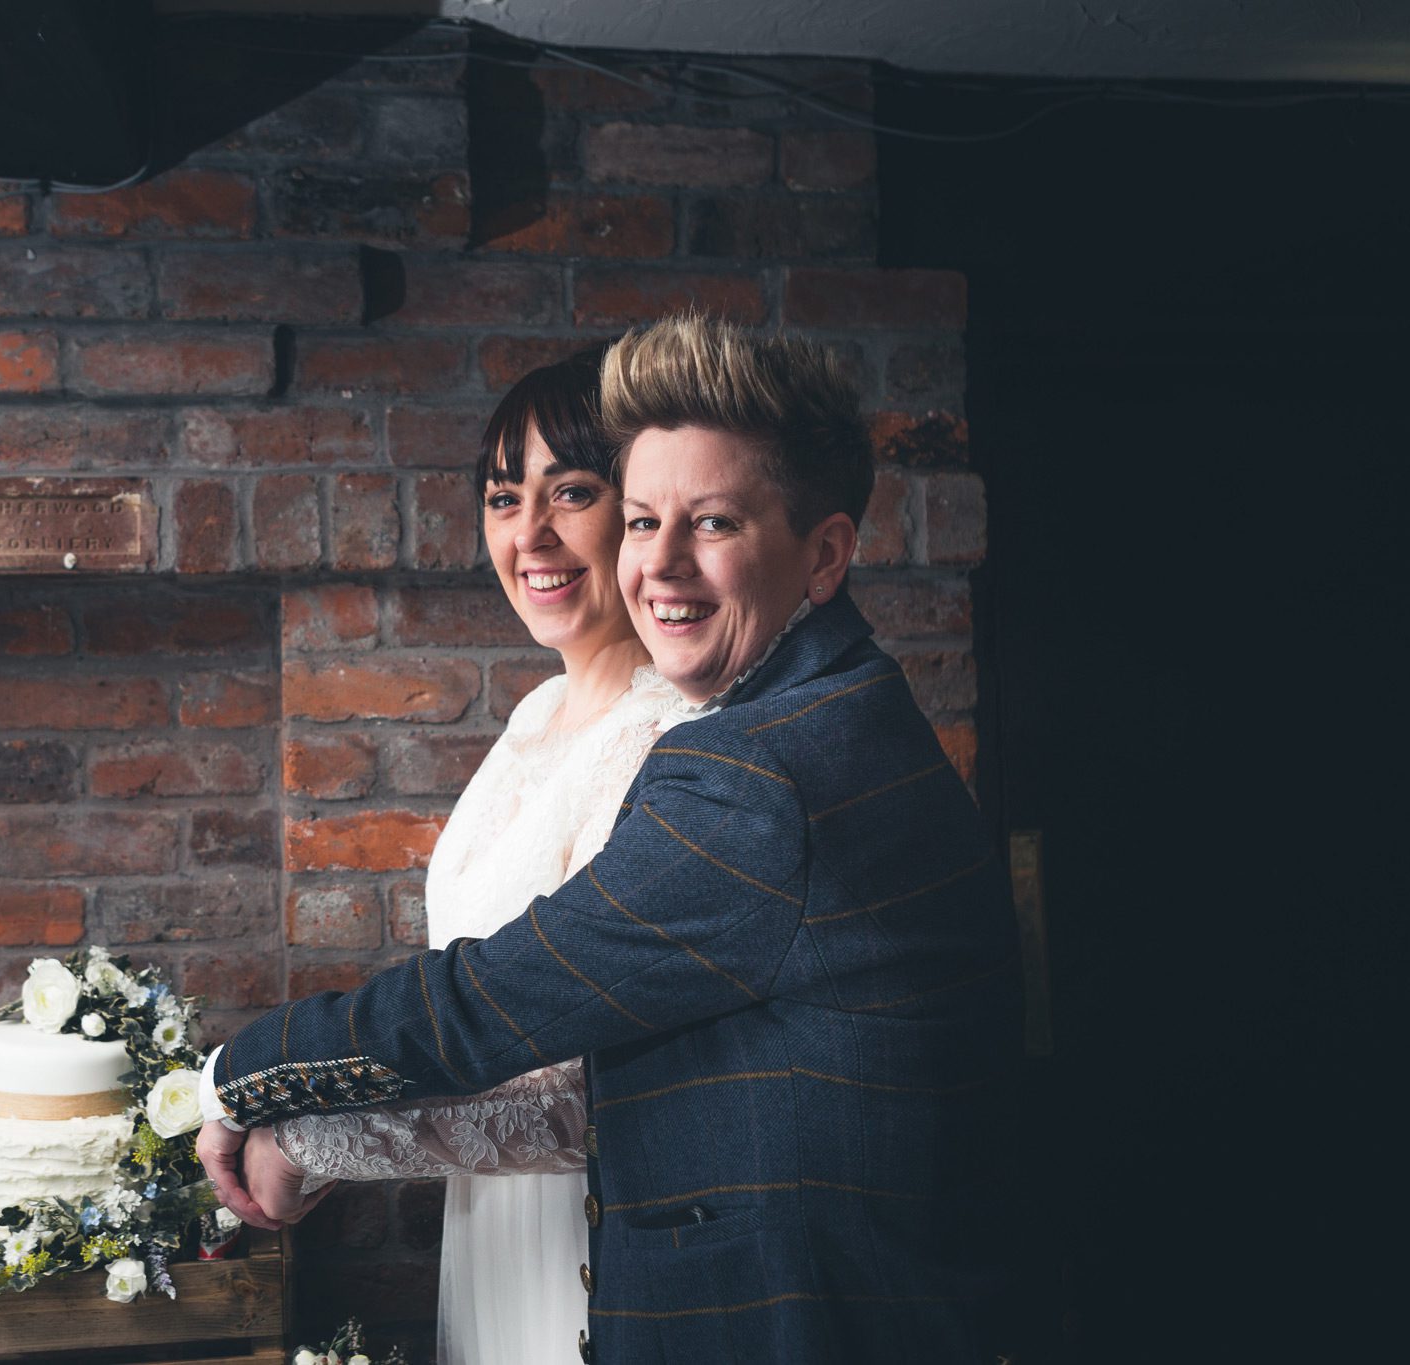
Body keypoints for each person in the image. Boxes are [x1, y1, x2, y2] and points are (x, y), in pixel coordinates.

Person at [202, 316, 1020, 1362]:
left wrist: (239, 1077)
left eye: (713, 524)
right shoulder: (834, 707)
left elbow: (490, 1002)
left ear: (822, 555)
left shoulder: (756, 775)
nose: (661, 568)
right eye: (642, 521)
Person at [268, 348, 695, 1363]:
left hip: (594, 1233)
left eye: (571, 493)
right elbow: (461, 988)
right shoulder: (539, 711)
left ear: (638, 513)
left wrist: (321, 1138)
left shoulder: (676, 739)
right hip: (488, 1223)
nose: (529, 536)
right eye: (504, 500)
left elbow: (596, 1086)